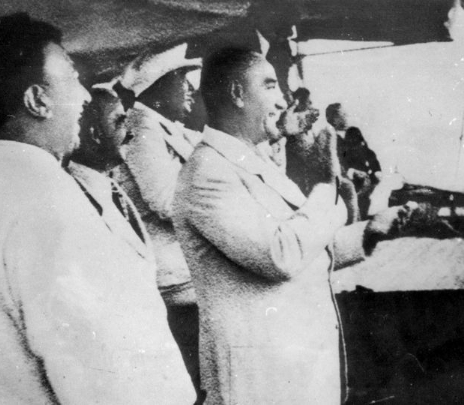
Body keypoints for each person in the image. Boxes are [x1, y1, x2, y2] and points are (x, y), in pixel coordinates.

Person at [0, 13, 194, 405]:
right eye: (72, 78)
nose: (85, 97)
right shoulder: (49, 204)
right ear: (38, 100)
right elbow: (110, 383)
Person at [172, 47, 416, 405]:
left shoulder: (249, 162)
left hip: (293, 370)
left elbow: (306, 245)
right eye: (270, 86)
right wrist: (323, 185)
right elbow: (280, 255)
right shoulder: (207, 171)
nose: (282, 101)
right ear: (237, 93)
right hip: (259, 381)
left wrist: (369, 232)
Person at [113, 43, 204, 402]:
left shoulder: (167, 129)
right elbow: (164, 200)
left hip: (187, 274)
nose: (190, 88)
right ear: (158, 86)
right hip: (174, 281)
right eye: (181, 78)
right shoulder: (142, 129)